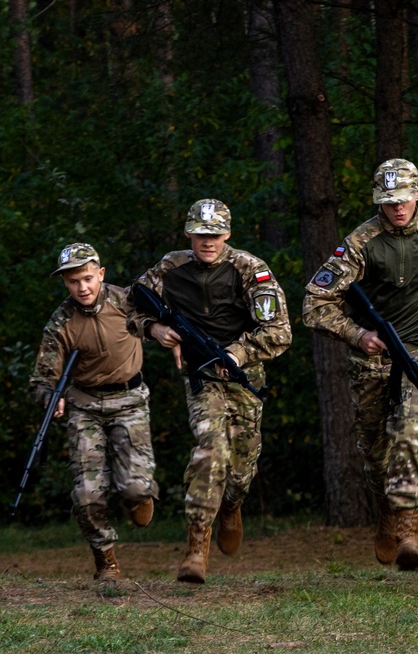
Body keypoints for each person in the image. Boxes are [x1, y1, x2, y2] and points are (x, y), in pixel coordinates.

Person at [302, 159, 418, 572]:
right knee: (375, 454)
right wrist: (358, 335)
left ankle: (409, 530)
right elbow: (314, 304)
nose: (397, 208)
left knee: (412, 427)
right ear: (377, 201)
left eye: (403, 199)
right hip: (371, 358)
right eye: (388, 202)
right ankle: (389, 509)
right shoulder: (360, 243)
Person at [126, 199, 291, 583]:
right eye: (201, 234)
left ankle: (232, 505)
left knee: (240, 470)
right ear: (188, 234)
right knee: (210, 450)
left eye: (215, 234)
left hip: (244, 378)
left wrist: (237, 352)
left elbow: (280, 332)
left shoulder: (250, 269)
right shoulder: (170, 268)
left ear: (228, 234)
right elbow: (130, 303)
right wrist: (153, 329)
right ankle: (196, 549)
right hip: (201, 380)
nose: (208, 241)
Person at [29, 243, 159, 582]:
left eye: (87, 278)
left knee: (135, 488)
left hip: (130, 401)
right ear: (65, 284)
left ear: (100, 274)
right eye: (73, 282)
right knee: (88, 494)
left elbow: (158, 323)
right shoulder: (61, 322)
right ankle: (106, 561)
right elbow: (41, 377)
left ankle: (139, 496)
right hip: (84, 406)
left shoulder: (127, 301)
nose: (82, 288)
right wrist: (48, 397)